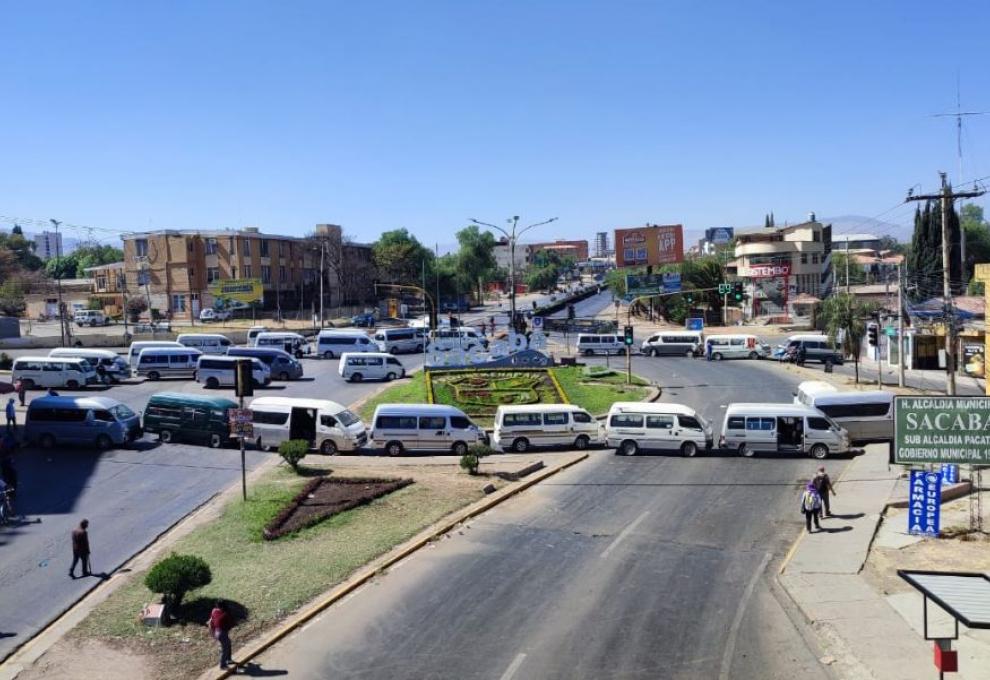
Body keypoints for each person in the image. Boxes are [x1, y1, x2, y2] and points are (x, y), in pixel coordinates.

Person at [208, 600, 234, 669]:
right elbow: (230, 624)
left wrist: (212, 632)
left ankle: (229, 660)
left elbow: (211, 620)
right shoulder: (225, 614)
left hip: (216, 631)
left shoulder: (214, 610)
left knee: (228, 644)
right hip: (222, 633)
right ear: (223, 607)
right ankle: (223, 665)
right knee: (224, 649)